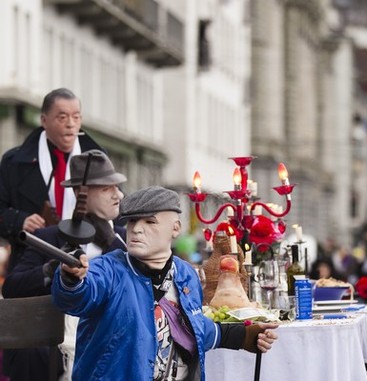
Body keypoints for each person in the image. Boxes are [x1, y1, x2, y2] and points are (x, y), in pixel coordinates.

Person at [52, 186, 279, 380]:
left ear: (176, 228)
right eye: (132, 221)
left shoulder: (185, 273)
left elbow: (191, 327)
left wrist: (243, 336)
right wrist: (71, 278)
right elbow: (78, 296)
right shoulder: (108, 269)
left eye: (150, 221)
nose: (136, 229)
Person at [2, 149, 128, 380]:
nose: (118, 195)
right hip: (55, 351)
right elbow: (12, 287)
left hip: (111, 340)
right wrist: (54, 268)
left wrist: (111, 241)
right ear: (82, 192)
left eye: (117, 187)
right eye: (106, 188)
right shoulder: (49, 237)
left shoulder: (126, 238)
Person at [0, 88, 104, 273]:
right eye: (62, 118)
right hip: (32, 262)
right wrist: (19, 221)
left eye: (76, 117)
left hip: (89, 263)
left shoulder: (99, 161)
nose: (71, 124)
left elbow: (116, 209)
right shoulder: (15, 162)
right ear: (44, 120)